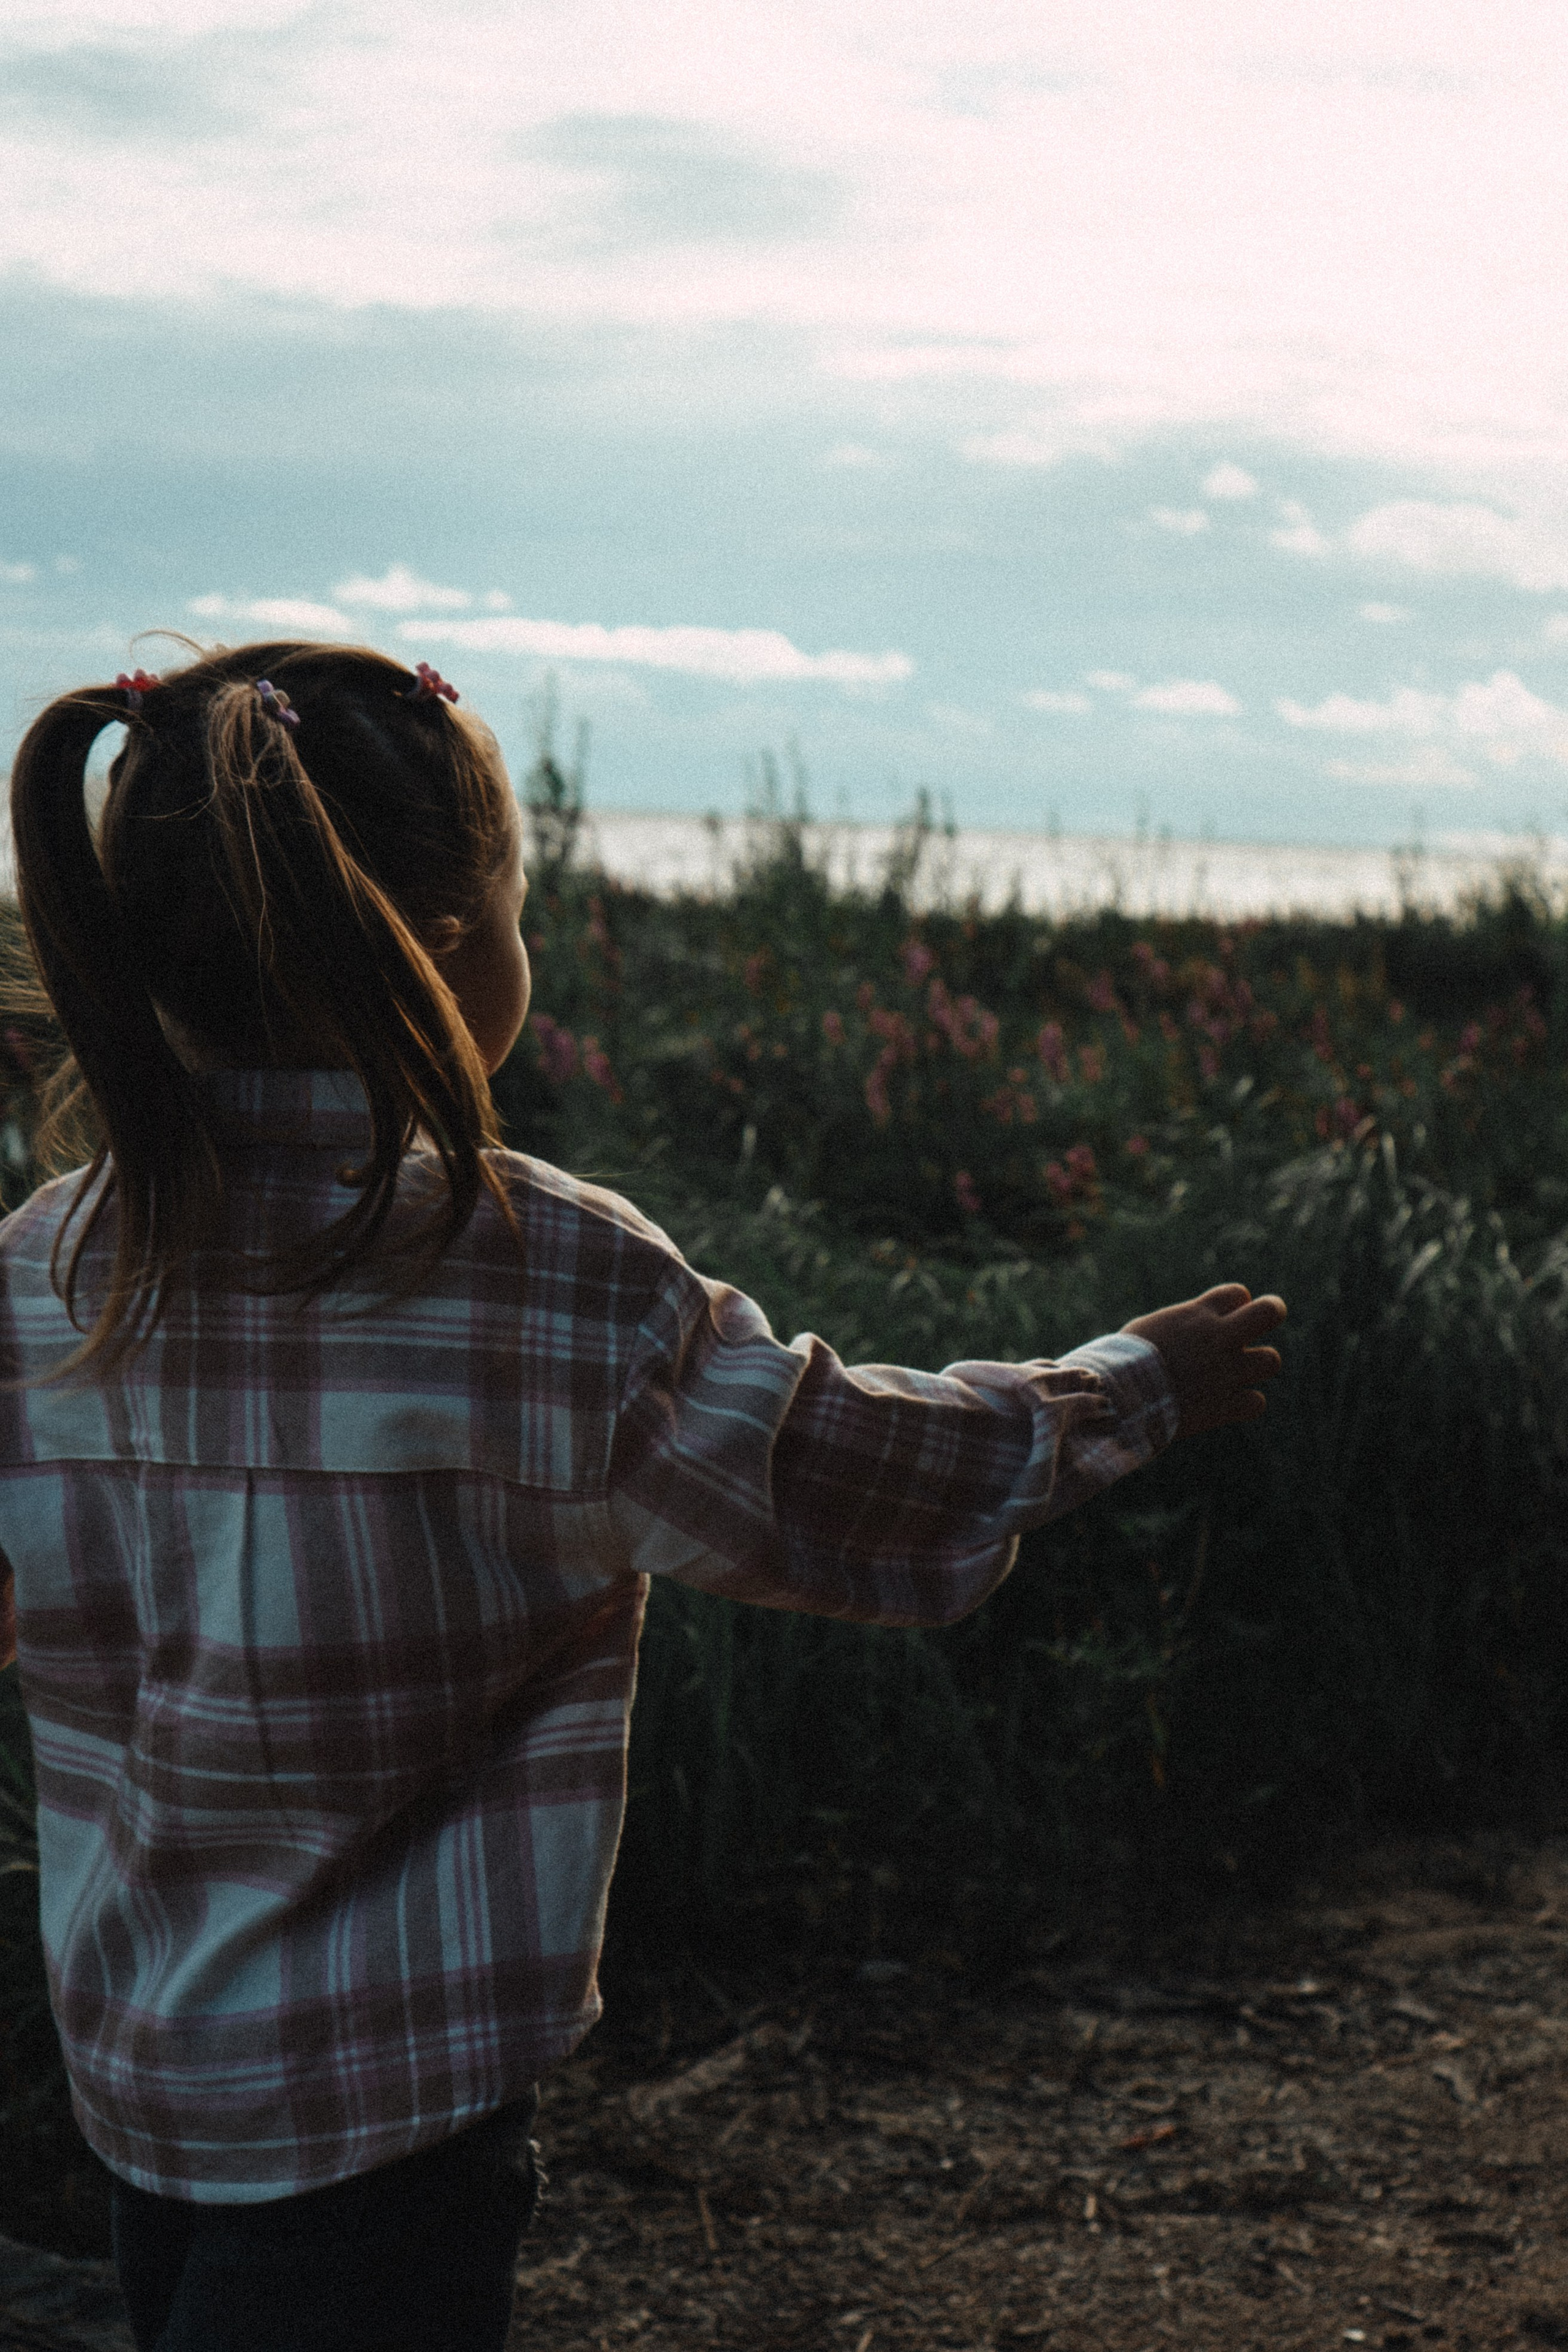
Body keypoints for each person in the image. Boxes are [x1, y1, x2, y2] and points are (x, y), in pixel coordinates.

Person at [0, 641, 1286, 2352]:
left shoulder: (46, 1274)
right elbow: (842, 1475)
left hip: (142, 2077)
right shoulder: (547, 1282)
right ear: (454, 948)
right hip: (390, 2112)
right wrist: (1127, 1388)